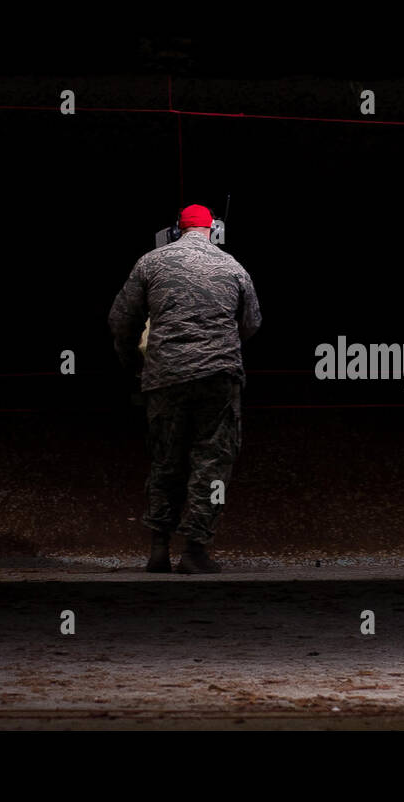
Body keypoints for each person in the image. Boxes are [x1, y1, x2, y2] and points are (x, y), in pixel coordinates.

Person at [108, 204, 261, 573]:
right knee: (212, 463)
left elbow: (120, 320)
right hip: (218, 380)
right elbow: (251, 324)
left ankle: (158, 549)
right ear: (213, 231)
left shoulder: (149, 262)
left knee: (166, 460)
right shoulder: (234, 267)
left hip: (166, 377)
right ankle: (194, 551)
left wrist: (135, 366)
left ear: (178, 229)